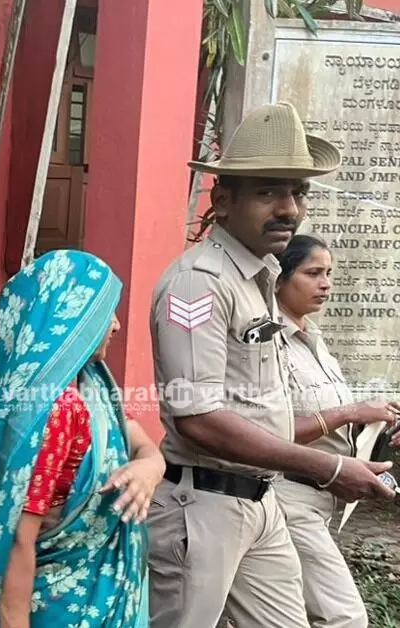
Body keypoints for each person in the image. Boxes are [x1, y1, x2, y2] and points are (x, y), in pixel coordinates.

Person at [145, 101, 396, 628]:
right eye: (268, 193)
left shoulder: (259, 278)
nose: (289, 209)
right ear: (223, 200)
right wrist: (328, 467)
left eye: (298, 192)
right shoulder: (199, 283)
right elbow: (198, 418)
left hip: (262, 503)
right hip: (205, 504)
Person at [0, 249, 163, 628]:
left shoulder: (91, 389)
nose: (116, 325)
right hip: (63, 604)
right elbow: (18, 538)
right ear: (70, 316)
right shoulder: (58, 407)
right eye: (105, 311)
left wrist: (149, 467)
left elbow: (142, 443)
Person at [272, 234, 400, 628]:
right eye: (313, 273)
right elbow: (266, 431)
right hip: (288, 495)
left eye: (328, 273)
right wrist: (348, 412)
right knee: (344, 617)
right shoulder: (268, 343)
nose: (325, 284)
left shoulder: (313, 340)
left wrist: (378, 422)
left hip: (322, 500)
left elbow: (331, 421)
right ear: (279, 278)